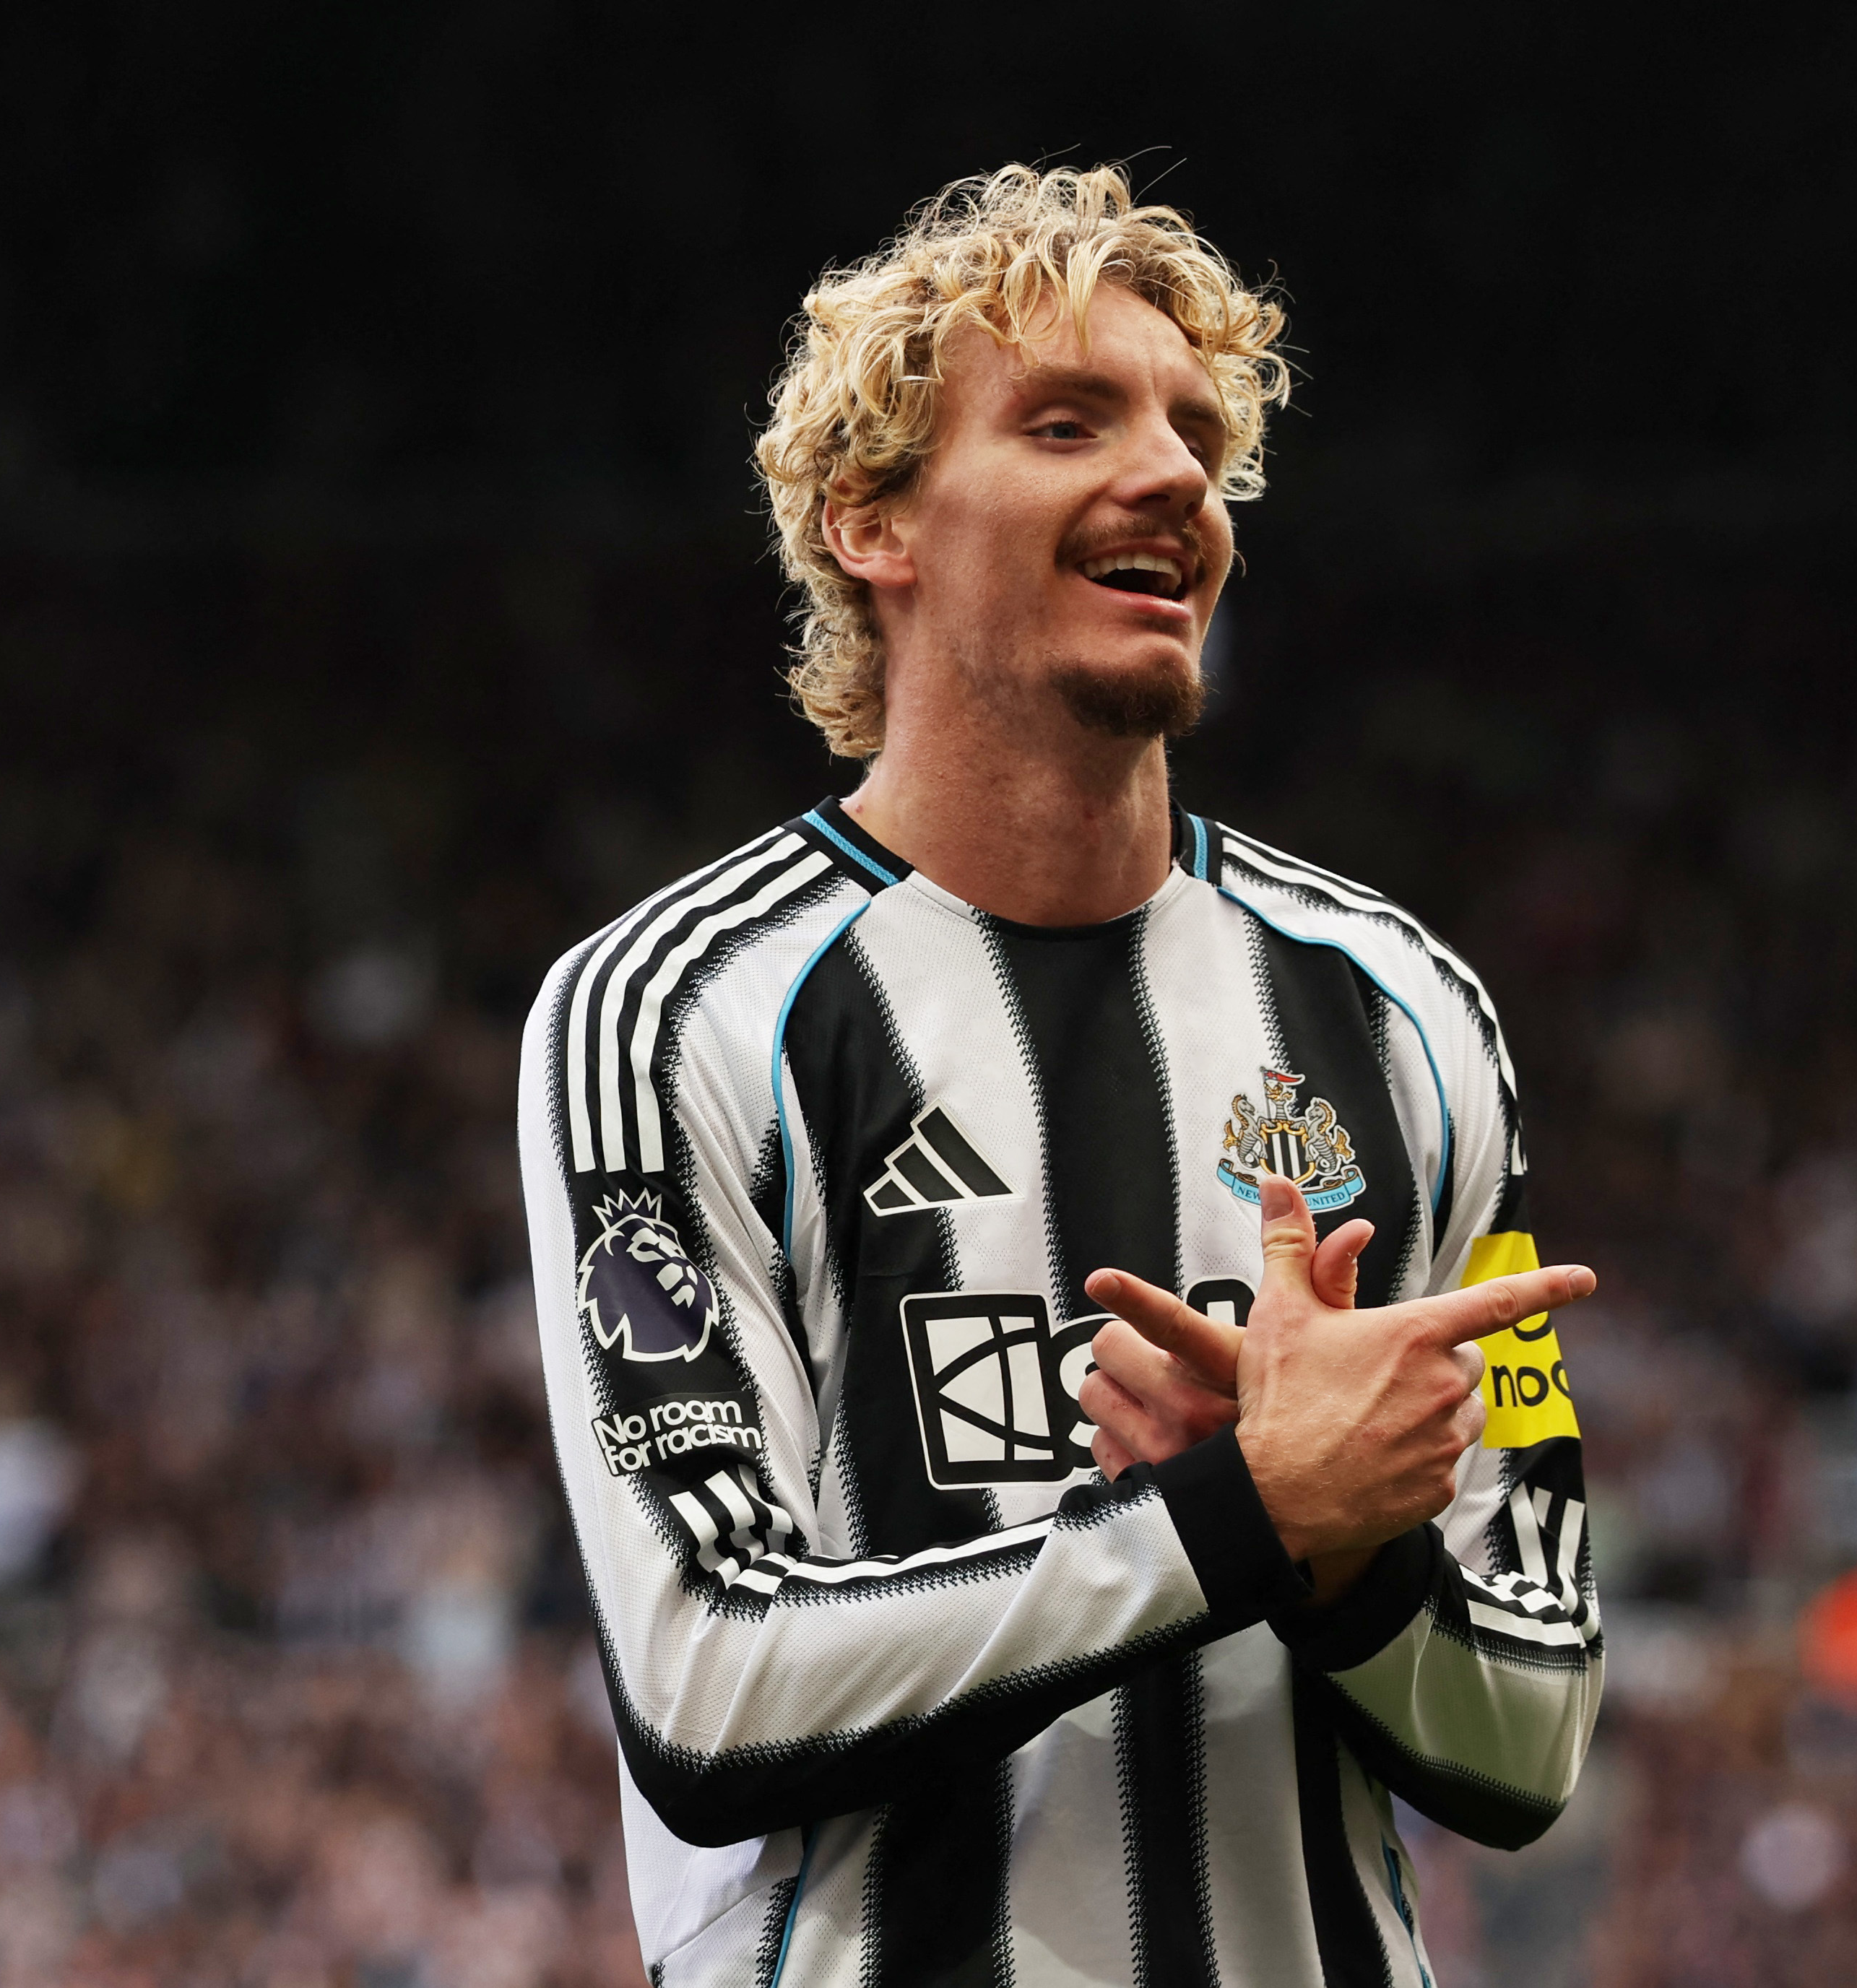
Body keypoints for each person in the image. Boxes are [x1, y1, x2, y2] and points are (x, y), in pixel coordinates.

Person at [516, 163, 1601, 1988]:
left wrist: (1353, 1566)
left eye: (1199, 434)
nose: (1177, 476)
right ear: (877, 522)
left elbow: (1534, 1730)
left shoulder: (1407, 1015)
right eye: (1068, 420)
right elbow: (707, 1689)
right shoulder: (672, 1012)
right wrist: (1247, 1517)